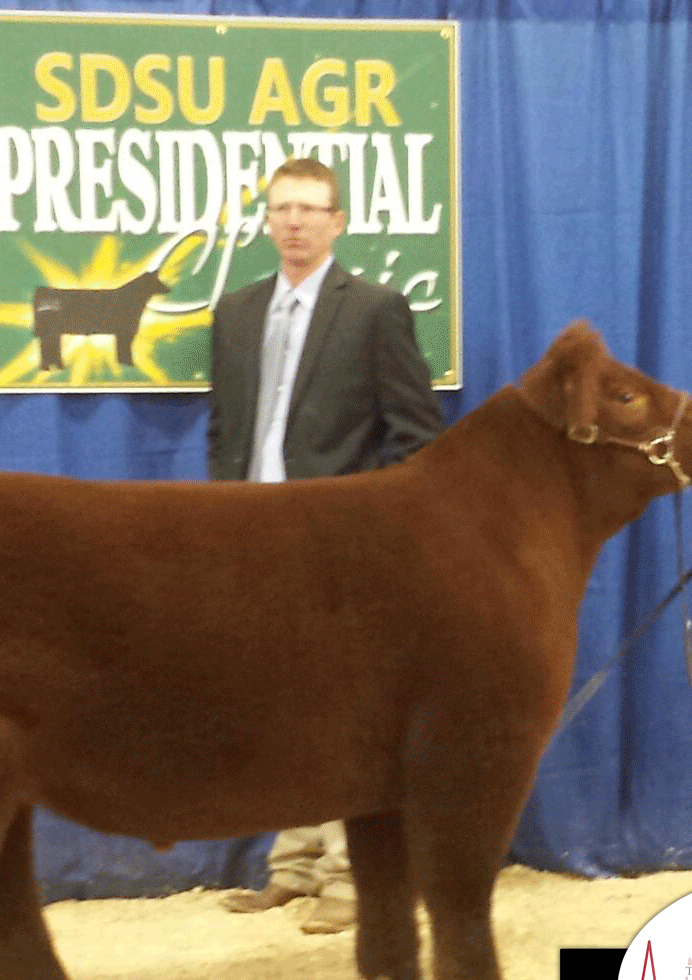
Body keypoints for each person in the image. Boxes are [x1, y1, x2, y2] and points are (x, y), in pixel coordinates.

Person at [207, 157, 444, 933]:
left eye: (311, 208)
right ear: (267, 221)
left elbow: (417, 436)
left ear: (338, 222)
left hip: (338, 548)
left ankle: (352, 874)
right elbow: (225, 431)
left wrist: (368, 525)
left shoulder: (376, 309)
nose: (296, 221)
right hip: (254, 539)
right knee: (279, 710)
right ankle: (295, 863)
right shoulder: (236, 312)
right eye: (282, 208)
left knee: (349, 714)